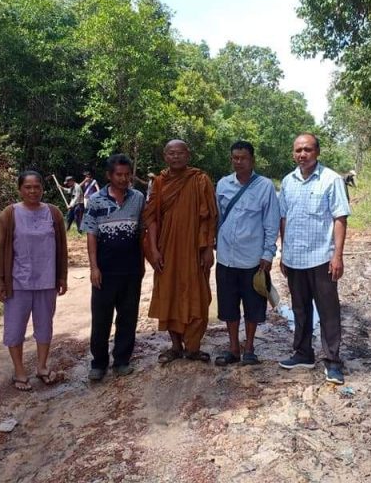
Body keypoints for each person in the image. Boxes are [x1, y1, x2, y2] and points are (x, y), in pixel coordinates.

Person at [278, 133, 351, 385]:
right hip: (294, 258)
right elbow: (284, 218)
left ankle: (332, 361)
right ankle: (303, 353)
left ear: (317, 152)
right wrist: (284, 253)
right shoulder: (288, 182)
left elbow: (340, 218)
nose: (302, 154)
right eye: (298, 150)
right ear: (293, 153)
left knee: (328, 311)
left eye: (307, 149)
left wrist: (337, 255)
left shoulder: (331, 180)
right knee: (300, 309)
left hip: (321, 258)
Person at [143, 139, 218, 363]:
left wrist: (208, 249)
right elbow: (151, 219)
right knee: (169, 294)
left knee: (198, 295)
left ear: (188, 155)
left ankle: (193, 347)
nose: (175, 157)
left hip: (195, 249)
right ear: (165, 156)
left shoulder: (200, 180)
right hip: (167, 250)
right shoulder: (159, 182)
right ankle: (176, 346)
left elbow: (209, 217)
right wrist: (153, 250)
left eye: (180, 153)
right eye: (171, 153)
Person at [0, 170, 68, 391]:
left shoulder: (53, 213)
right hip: (18, 283)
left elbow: (62, 248)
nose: (33, 191)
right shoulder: (9, 214)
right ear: (20, 190)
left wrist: (62, 276)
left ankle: (42, 367)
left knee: (44, 326)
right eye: (28, 187)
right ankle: (19, 371)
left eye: (37, 187)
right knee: (15, 328)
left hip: (46, 281)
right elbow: (0, 250)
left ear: (42, 189)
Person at [214, 140, 280, 366]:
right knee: (228, 306)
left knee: (253, 306)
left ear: (252, 160)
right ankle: (233, 348)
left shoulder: (265, 186)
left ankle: (249, 348)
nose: (239, 162)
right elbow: (217, 217)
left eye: (243, 158)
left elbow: (271, 222)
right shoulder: (223, 184)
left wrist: (268, 253)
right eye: (235, 158)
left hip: (253, 259)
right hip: (226, 258)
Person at [81, 154, 145, 381]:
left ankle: (122, 361)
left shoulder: (138, 198)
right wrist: (93, 268)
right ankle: (98, 364)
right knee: (101, 318)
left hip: (131, 269)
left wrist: (142, 263)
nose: (124, 179)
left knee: (128, 316)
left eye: (127, 175)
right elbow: (91, 235)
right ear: (109, 175)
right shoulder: (96, 200)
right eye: (119, 174)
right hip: (105, 270)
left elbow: (142, 231)